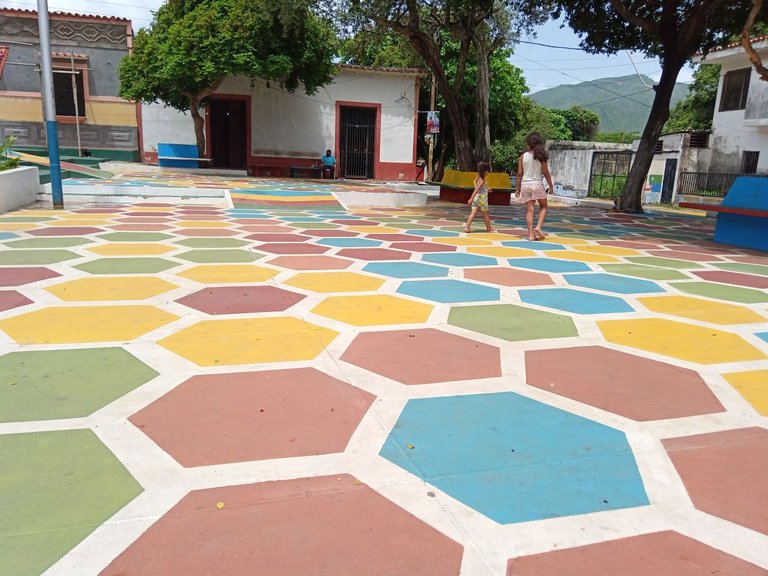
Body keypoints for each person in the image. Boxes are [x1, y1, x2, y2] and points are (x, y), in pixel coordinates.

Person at [516, 132, 554, 241]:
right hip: (537, 184)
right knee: (544, 206)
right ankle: (538, 227)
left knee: (530, 210)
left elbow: (519, 174)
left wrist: (517, 188)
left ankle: (531, 235)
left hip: (525, 185)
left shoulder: (523, 156)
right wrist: (550, 186)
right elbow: (546, 173)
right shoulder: (541, 156)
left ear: (529, 143)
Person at [465, 161, 496, 233]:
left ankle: (467, 227)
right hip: (482, 199)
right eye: (487, 171)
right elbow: (477, 189)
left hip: (476, 199)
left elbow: (481, 188)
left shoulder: (476, 178)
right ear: (484, 171)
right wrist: (471, 198)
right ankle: (489, 228)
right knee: (485, 214)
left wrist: (487, 189)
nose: (488, 173)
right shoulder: (482, 180)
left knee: (472, 213)